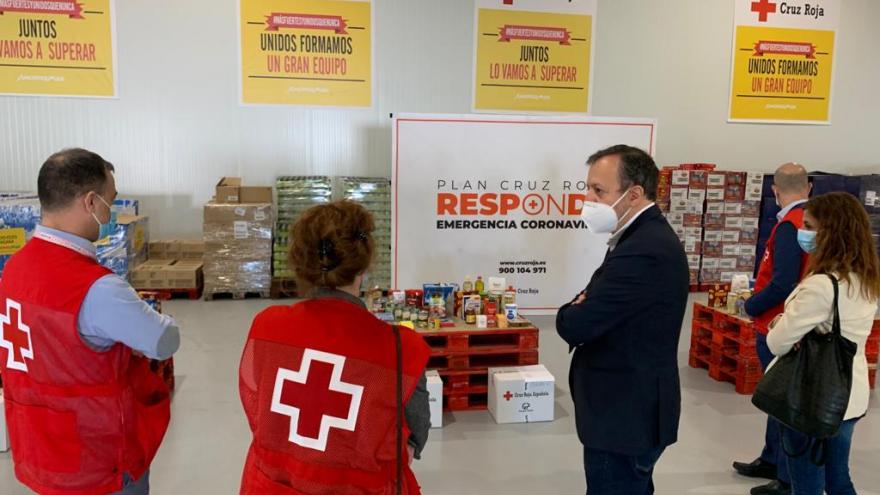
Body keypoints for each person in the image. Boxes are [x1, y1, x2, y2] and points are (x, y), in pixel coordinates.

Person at [0, 148, 180, 494]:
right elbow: (163, 340)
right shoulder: (99, 289)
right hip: (97, 459)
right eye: (110, 200)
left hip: (41, 447)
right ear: (91, 202)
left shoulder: (15, 269)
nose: (110, 211)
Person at [238, 200, 431, 494]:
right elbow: (416, 433)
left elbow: (256, 402)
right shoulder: (402, 348)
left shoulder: (265, 326)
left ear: (302, 263)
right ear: (365, 265)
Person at [556, 145, 689, 494]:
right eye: (587, 188)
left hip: (623, 417)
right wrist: (582, 303)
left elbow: (577, 323)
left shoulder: (644, 250)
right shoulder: (635, 238)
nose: (587, 199)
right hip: (628, 411)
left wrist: (571, 308)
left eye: (598, 191)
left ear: (634, 194)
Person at [765, 192, 880, 494]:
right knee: (838, 477)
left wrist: (778, 322)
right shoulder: (865, 279)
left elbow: (777, 342)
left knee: (807, 482)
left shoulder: (821, 286)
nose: (803, 233)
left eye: (808, 225)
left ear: (830, 232)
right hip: (849, 396)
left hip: (812, 398)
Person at [734, 163, 812, 495]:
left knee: (781, 402)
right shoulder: (805, 223)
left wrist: (749, 305)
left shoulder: (790, 227)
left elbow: (782, 283)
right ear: (808, 187)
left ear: (774, 191)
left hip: (778, 326)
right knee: (774, 397)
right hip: (785, 323)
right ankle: (771, 458)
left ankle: (785, 476)